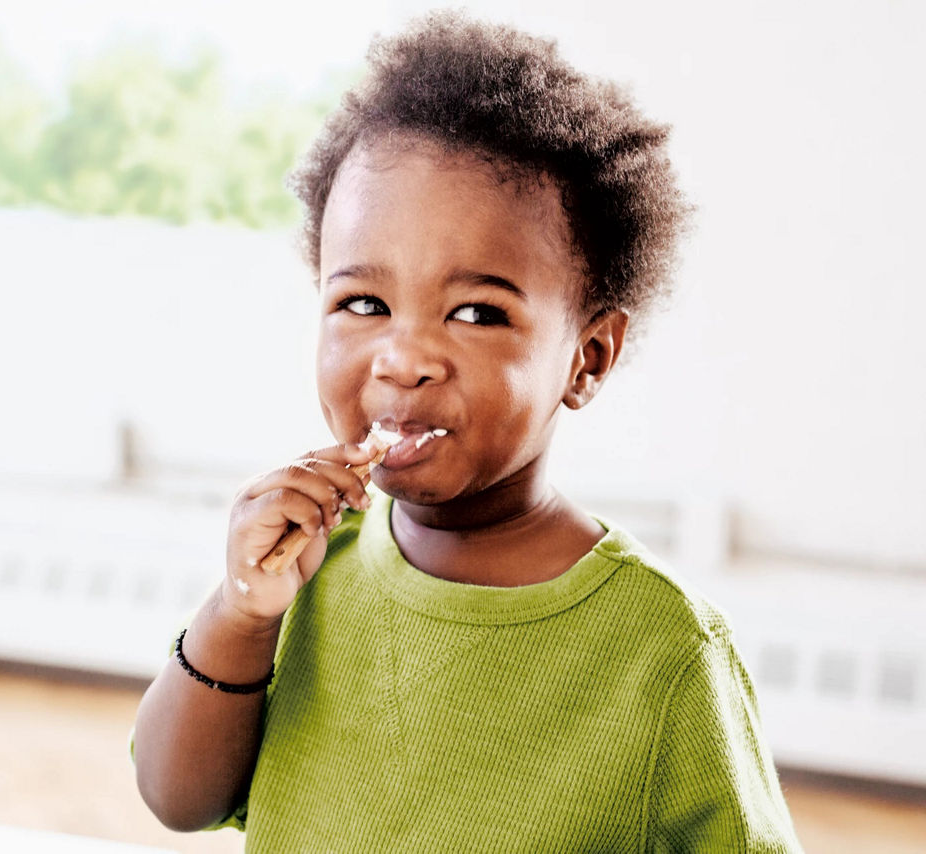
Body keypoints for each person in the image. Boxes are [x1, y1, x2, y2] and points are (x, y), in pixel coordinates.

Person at [132, 11, 803, 852]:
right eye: (363, 304)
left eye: (477, 312)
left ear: (587, 358)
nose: (404, 358)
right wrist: (240, 615)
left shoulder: (665, 652)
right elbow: (176, 798)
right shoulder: (308, 574)